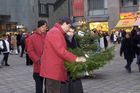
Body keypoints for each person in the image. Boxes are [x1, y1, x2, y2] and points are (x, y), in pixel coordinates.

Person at [40, 16, 86, 93]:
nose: (69, 29)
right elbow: (61, 51)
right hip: (52, 71)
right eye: (68, 26)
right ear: (64, 23)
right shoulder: (55, 32)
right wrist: (76, 58)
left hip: (54, 71)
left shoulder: (57, 32)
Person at [27, 20, 48, 93]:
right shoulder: (32, 38)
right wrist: (38, 59)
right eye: (43, 27)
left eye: (46, 27)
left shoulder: (48, 36)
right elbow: (30, 51)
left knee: (48, 87)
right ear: (38, 27)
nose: (45, 28)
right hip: (38, 67)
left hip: (48, 66)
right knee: (39, 88)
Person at [61, 25, 83, 93]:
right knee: (66, 87)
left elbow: (79, 50)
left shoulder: (75, 40)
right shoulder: (62, 39)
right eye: (69, 32)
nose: (71, 34)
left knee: (76, 86)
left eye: (73, 32)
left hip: (75, 66)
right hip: (66, 66)